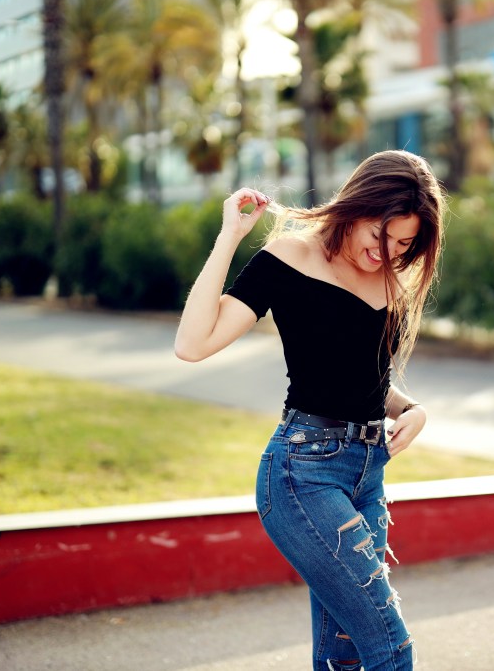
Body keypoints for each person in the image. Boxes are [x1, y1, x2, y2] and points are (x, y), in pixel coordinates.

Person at [174, 150, 444, 670]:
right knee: (390, 647)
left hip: (367, 475)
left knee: (342, 655)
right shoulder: (288, 260)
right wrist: (229, 237)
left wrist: (412, 408)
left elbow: (364, 380)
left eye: (404, 244)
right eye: (379, 235)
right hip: (304, 473)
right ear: (356, 207)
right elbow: (193, 344)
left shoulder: (389, 279)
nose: (386, 253)